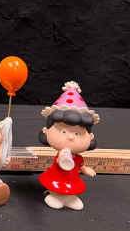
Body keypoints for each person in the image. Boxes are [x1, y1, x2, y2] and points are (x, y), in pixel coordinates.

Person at [39, 81, 99, 210]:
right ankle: (53, 195)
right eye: (63, 131)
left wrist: (86, 170)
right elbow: (61, 160)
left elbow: (80, 166)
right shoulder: (62, 154)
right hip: (57, 178)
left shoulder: (78, 158)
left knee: (71, 189)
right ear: (46, 131)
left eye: (77, 133)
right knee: (56, 187)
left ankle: (68, 198)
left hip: (71, 179)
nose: (71, 137)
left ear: (90, 137)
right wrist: (63, 157)